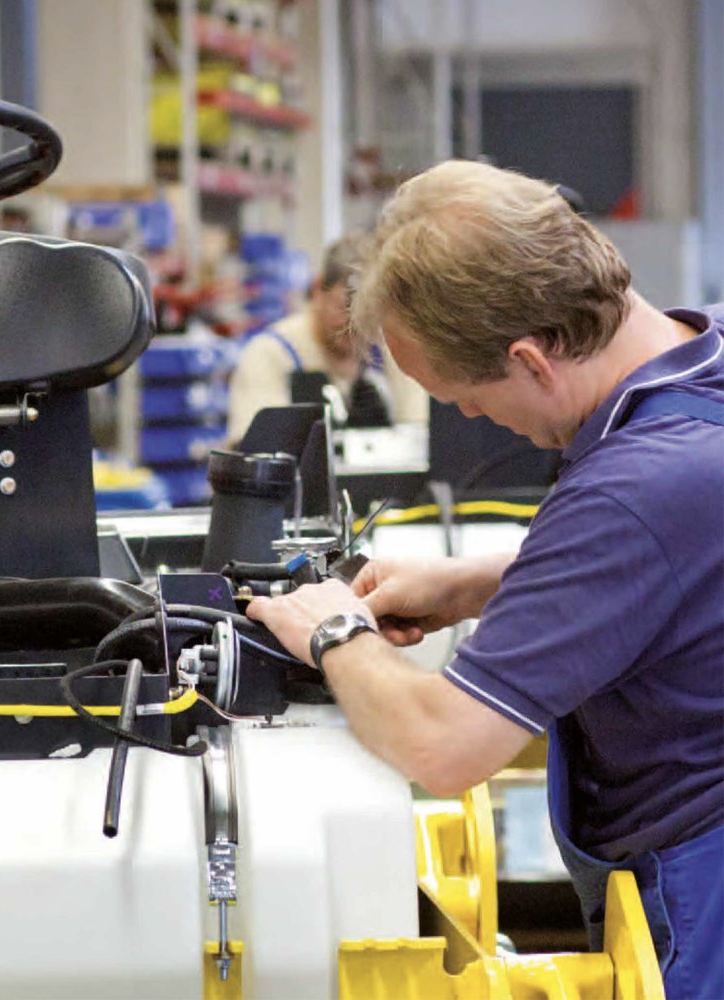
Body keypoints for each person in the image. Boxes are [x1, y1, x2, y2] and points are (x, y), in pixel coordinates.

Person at [246, 159, 723, 999]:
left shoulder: (627, 488)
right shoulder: (704, 353)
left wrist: (333, 632)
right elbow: (690, 553)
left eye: (463, 397)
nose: (469, 419)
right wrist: (481, 581)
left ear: (532, 361)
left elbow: (445, 745)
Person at [226, 234, 426, 446]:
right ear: (319, 289)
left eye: (369, 316)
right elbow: (254, 454)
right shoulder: (270, 355)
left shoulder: (390, 352)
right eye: (347, 308)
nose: (356, 327)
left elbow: (420, 433)